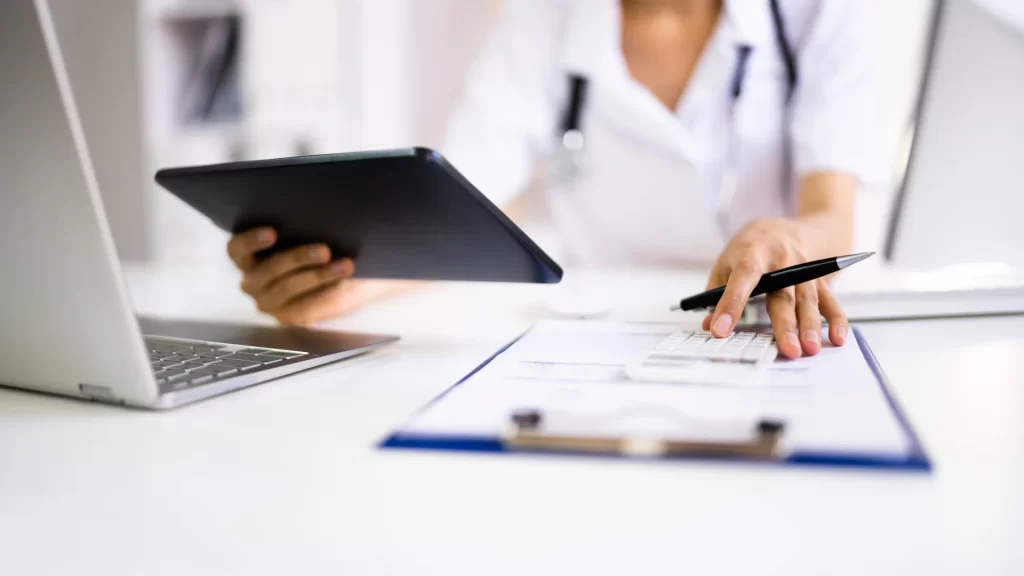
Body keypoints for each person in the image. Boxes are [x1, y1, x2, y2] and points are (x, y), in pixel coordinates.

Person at [225, 0, 882, 359]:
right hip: (607, 339)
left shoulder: (819, 13)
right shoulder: (543, 19)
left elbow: (832, 214)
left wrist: (783, 237)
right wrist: (342, 278)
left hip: (769, 333)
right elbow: (460, 201)